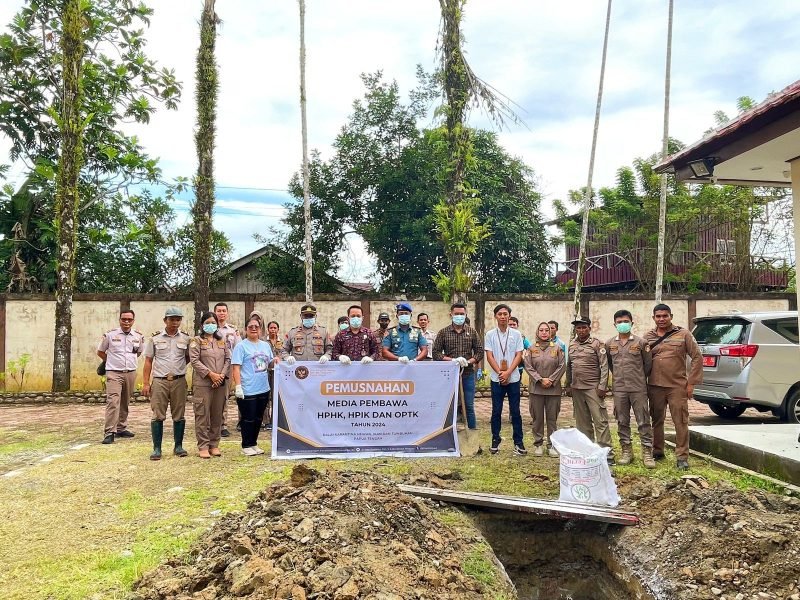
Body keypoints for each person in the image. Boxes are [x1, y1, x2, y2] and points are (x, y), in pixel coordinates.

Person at [644, 303, 703, 470]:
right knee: (656, 420)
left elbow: (697, 357)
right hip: (655, 386)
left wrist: (691, 383)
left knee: (680, 421)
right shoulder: (648, 336)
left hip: (677, 386)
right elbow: (641, 359)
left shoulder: (683, 334)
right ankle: (657, 451)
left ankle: (682, 456)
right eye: (658, 316)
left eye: (665, 316)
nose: (662, 319)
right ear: (653, 318)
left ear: (671, 316)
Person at [605, 309, 655, 468]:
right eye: (619, 322)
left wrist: (638, 378)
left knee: (643, 421)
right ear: (614, 324)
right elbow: (610, 365)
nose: (622, 324)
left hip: (638, 388)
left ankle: (647, 453)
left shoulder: (641, 343)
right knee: (622, 420)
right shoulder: (609, 344)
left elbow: (648, 366)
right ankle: (627, 451)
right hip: (619, 389)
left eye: (625, 321)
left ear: (632, 323)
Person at [142, 306, 192, 461]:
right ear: (165, 320)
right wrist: (145, 383)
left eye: (178, 319)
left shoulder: (186, 339)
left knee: (179, 415)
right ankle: (157, 448)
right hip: (159, 381)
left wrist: (179, 369)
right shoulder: (155, 339)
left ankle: (178, 446)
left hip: (179, 380)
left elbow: (188, 357)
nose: (175, 322)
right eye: (172, 319)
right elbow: (148, 360)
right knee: (158, 415)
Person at [565, 317, 614, 464]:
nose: (581, 330)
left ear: (589, 328)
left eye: (583, 327)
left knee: (600, 421)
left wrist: (602, 386)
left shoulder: (597, 344)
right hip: (577, 389)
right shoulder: (572, 344)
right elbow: (569, 366)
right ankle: (587, 450)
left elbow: (604, 366)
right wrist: (568, 384)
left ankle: (607, 453)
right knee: (582, 422)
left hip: (593, 388)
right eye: (578, 328)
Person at [432, 303, 484, 430]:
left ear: (465, 315)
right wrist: (452, 360)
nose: (459, 316)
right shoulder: (443, 332)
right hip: (449, 376)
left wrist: (470, 361)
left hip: (467, 374)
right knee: (450, 406)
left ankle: (472, 437)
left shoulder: (472, 332)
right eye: (456, 314)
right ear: (451, 314)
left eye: (462, 314)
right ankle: (449, 435)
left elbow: (480, 351)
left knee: (469, 406)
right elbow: (436, 353)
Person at [232, 316, 278, 456]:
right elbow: (236, 367)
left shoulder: (265, 345)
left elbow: (269, 363)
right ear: (246, 329)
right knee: (248, 418)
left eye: (256, 327)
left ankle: (254, 443)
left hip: (263, 388)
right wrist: (238, 386)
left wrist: (275, 360)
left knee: (258, 418)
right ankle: (246, 444)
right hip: (247, 388)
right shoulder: (241, 346)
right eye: (250, 326)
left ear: (260, 329)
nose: (253, 329)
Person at [97, 309, 144, 444]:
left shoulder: (138, 336)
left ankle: (121, 428)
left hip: (130, 372)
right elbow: (100, 352)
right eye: (124, 319)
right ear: (120, 320)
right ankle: (109, 432)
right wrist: (111, 360)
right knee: (113, 401)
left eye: (129, 319)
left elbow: (138, 353)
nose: (126, 322)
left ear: (133, 321)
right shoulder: (110, 335)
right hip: (114, 372)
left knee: (125, 401)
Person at [484, 304, 525, 455]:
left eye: (505, 314)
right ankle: (495, 440)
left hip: (513, 378)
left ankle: (519, 442)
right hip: (496, 378)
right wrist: (500, 373)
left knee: (515, 411)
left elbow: (518, 355)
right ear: (495, 316)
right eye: (500, 314)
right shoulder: (490, 335)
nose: (502, 316)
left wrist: (508, 372)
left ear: (509, 316)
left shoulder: (516, 334)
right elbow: (489, 356)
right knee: (496, 411)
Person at [189, 312, 230, 458]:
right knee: (202, 415)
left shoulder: (222, 341)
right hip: (203, 384)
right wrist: (211, 375)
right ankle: (203, 446)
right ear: (202, 325)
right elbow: (194, 361)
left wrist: (221, 376)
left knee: (217, 415)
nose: (210, 325)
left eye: (213, 322)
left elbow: (228, 359)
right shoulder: (196, 341)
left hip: (220, 383)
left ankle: (214, 444)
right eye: (207, 322)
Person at [523, 322, 566, 457]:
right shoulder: (531, 348)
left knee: (552, 418)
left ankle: (552, 445)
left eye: (546, 330)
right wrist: (540, 379)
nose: (544, 332)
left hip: (553, 389)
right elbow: (528, 366)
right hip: (536, 389)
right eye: (541, 330)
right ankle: (538, 444)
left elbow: (562, 365)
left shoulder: (557, 348)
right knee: (537, 418)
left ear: (550, 332)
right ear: (537, 332)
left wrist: (551, 380)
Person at [214, 302, 240, 438]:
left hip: (228, 367)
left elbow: (238, 348)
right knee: (211, 396)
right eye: (219, 311)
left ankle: (223, 425)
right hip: (212, 366)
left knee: (224, 396)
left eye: (224, 311)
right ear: (215, 312)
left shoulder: (232, 331)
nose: (221, 313)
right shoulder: (209, 329)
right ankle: (211, 424)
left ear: (227, 313)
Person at [264, 321, 282, 431]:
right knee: (266, 396)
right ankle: (266, 421)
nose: (273, 330)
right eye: (271, 328)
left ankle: (275, 420)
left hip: (278, 372)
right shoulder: (263, 342)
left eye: (275, 328)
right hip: (266, 371)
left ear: (278, 329)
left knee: (276, 396)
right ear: (268, 329)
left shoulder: (282, 342)